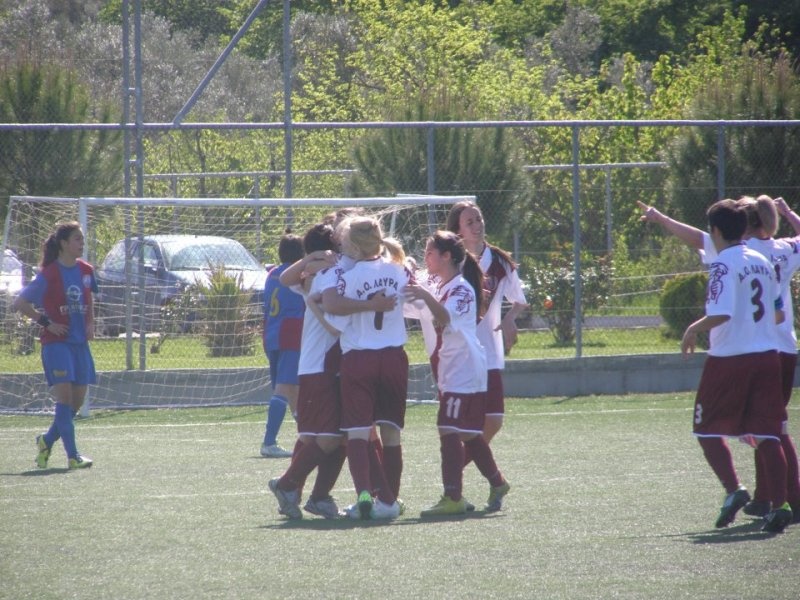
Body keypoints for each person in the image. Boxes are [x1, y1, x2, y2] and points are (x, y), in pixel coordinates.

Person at [639, 196, 800, 524]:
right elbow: (779, 310)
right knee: (769, 432)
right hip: (769, 354)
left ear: (715, 230)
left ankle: (734, 489)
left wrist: (693, 328)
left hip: (730, 357)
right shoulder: (762, 259)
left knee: (706, 429)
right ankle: (781, 505)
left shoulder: (723, 263)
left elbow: (721, 313)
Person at [267, 218, 396, 519]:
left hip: (335, 365)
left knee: (337, 434)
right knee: (324, 437)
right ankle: (288, 485)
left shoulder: (341, 269)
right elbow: (289, 282)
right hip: (320, 365)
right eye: (340, 239)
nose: (344, 242)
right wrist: (312, 260)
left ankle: (319, 495)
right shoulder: (325, 272)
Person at [405, 230, 511, 516]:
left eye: (429, 252)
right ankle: (498, 482)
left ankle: (453, 496)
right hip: (458, 366)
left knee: (448, 429)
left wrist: (425, 295)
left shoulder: (462, 289)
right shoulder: (443, 285)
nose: (426, 257)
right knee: (468, 433)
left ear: (446, 256)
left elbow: (444, 317)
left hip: (464, 367)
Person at [323, 216, 412, 520]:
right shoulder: (400, 270)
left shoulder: (349, 275)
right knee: (391, 433)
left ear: (352, 246)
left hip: (359, 358)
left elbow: (333, 308)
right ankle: (389, 502)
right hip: (394, 358)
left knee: (358, 431)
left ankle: (364, 492)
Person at [445, 201, 528, 456]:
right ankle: (458, 477)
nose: (477, 226)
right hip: (458, 354)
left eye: (478, 219)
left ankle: (456, 471)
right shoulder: (452, 262)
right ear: (458, 230)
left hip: (488, 353)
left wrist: (509, 318)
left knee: (493, 421)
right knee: (457, 427)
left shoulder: (500, 262)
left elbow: (520, 300)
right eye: (469, 222)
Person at [13, 221, 97, 470]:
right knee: (64, 399)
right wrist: (46, 323)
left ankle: (46, 440)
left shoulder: (86, 270)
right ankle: (73, 456)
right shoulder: (49, 273)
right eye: (77, 239)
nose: (81, 244)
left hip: (80, 344)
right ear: (63, 244)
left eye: (82, 239)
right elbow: (20, 302)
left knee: (77, 402)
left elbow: (89, 299)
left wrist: (91, 323)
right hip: (56, 345)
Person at [260, 233, 306, 458]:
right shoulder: (298, 276)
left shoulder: (271, 274)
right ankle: (269, 443)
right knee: (284, 388)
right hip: (291, 335)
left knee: (293, 391)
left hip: (271, 334)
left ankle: (308, 437)